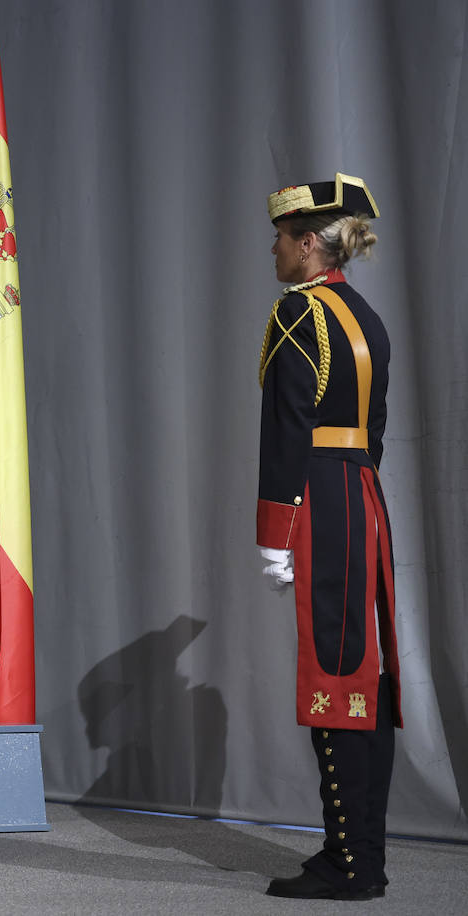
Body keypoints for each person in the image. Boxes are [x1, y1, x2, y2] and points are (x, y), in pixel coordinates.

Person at [255, 174, 401, 900]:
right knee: (363, 674)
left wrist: (273, 533)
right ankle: (363, 855)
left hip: (318, 496)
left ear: (308, 243)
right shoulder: (367, 316)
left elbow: (285, 429)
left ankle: (348, 863)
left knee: (335, 676)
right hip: (364, 498)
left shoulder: (297, 313)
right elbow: (375, 434)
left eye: (282, 238)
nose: (274, 249)